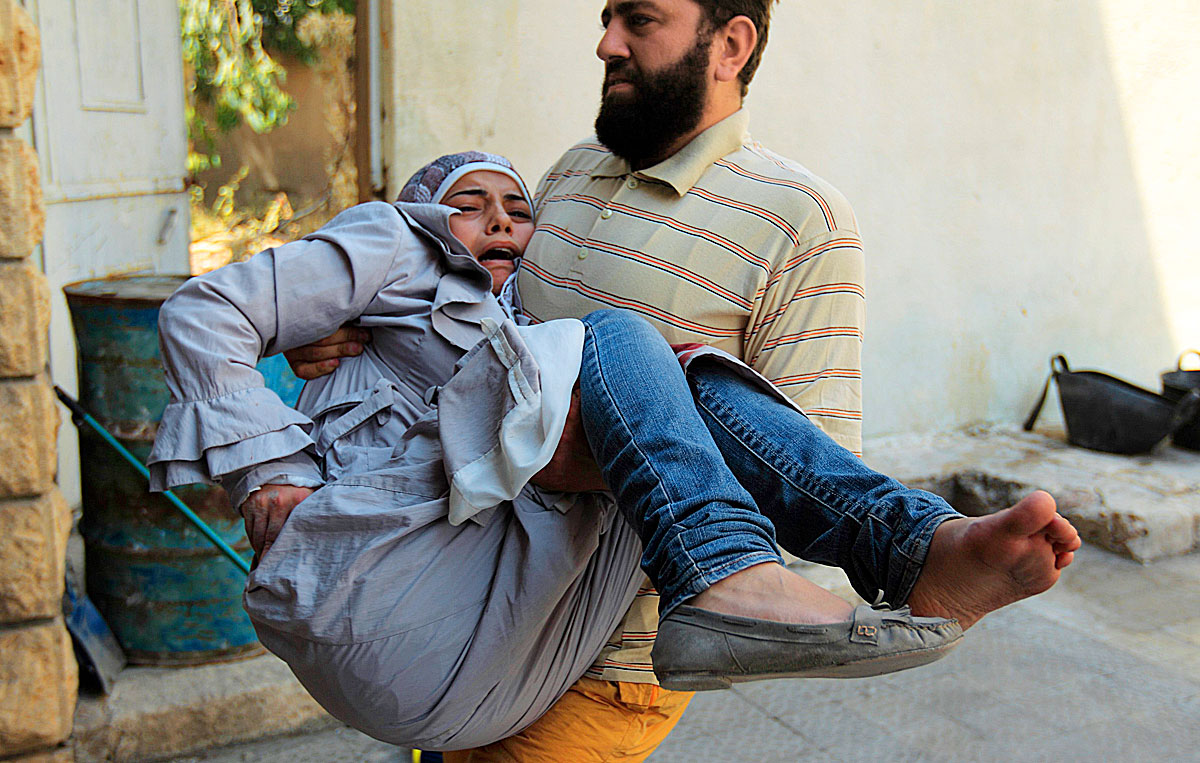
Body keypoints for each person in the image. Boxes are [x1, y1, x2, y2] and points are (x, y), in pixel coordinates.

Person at [282, 2, 1083, 759]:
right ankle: (913, 546)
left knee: (673, 372)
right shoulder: (566, 177)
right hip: (467, 584)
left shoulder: (800, 220)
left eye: (640, 19)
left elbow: (801, 458)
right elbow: (486, 323)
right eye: (606, 19)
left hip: (604, 655)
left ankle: (911, 548)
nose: (606, 44)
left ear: (730, 46)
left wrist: (570, 454)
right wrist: (350, 329)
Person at [149, 151, 992, 750]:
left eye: (518, 211)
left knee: (672, 376)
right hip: (393, 590)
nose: (503, 219)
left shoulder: (516, 322)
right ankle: (796, 560)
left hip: (498, 662)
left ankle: (909, 544)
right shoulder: (392, 244)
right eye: (470, 202)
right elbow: (200, 314)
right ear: (419, 211)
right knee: (628, 342)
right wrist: (271, 466)